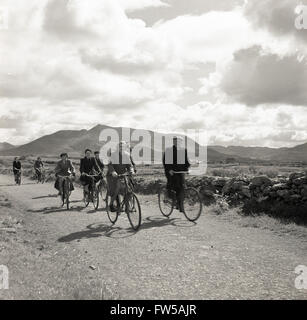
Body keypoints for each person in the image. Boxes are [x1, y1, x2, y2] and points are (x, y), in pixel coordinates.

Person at [162, 137, 190, 212]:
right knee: (173, 185)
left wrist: (187, 168)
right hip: (171, 171)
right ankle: (169, 197)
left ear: (181, 142)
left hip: (180, 171)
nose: (177, 143)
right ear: (173, 142)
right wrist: (169, 169)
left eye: (179, 141)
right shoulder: (169, 150)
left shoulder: (184, 150)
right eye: (175, 141)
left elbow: (186, 161)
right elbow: (165, 161)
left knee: (182, 186)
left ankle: (179, 203)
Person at [107, 141, 135, 212]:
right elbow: (110, 164)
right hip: (113, 175)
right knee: (115, 189)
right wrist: (113, 171)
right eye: (120, 146)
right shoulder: (113, 154)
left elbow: (129, 165)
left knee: (128, 188)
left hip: (123, 174)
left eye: (123, 147)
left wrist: (131, 170)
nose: (121, 148)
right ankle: (111, 204)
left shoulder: (127, 155)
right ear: (117, 147)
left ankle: (127, 207)